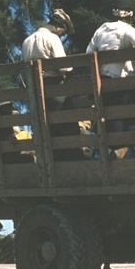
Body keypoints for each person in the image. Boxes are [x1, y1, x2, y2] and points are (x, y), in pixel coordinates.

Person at [86, 0, 135, 158]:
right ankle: (124, 155)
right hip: (123, 84)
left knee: (112, 120)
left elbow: (89, 52)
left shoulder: (101, 30)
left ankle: (111, 154)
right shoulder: (125, 29)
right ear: (129, 13)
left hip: (104, 83)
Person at [21, 9, 84, 161]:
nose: (62, 35)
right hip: (54, 88)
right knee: (67, 127)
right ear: (59, 26)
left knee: (46, 130)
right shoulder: (52, 39)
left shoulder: (27, 41)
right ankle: (74, 162)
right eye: (63, 31)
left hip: (34, 90)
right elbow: (64, 67)